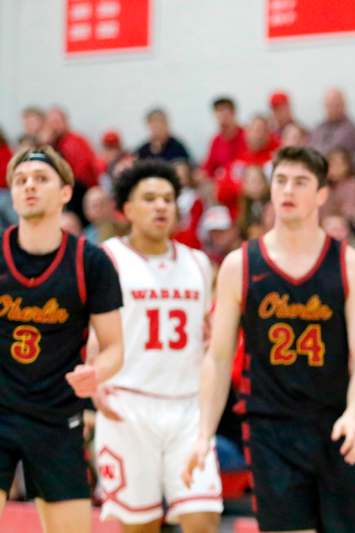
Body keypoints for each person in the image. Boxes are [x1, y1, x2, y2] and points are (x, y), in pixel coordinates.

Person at [183, 146, 355, 533]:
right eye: (281, 180)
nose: (288, 190)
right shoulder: (240, 264)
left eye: (301, 182)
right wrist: (203, 433)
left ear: (322, 194)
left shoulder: (350, 265)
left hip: (334, 424)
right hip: (270, 428)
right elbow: (218, 358)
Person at [0, 146, 124, 532]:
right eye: (20, 181)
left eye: (40, 179)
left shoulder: (92, 261)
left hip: (56, 417)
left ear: (66, 191)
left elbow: (115, 347)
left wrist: (96, 371)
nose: (29, 186)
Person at [94, 160, 221, 531]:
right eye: (149, 198)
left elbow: (210, 337)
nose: (161, 206)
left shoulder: (199, 263)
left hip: (187, 408)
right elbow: (89, 331)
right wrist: (93, 380)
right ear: (127, 209)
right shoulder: (107, 259)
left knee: (203, 519)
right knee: (141, 526)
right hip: (127, 405)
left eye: (168, 198)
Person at [202, 96, 246, 180]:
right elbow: (208, 168)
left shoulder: (246, 136)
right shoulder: (216, 140)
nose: (222, 117)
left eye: (225, 112)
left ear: (233, 113)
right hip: (220, 185)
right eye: (218, 112)